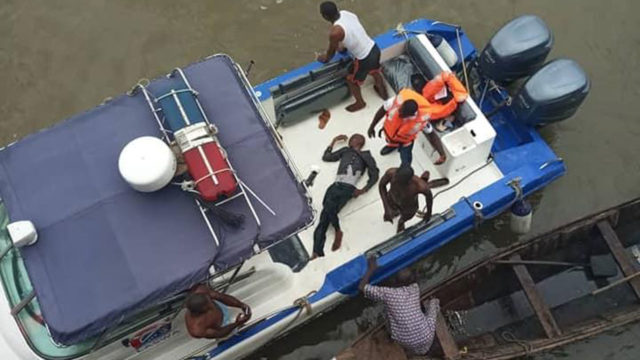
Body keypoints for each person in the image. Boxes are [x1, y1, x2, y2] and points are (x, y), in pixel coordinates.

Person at [312, 134, 379, 259]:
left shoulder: (366, 156)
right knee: (325, 217)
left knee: (328, 210)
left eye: (352, 139)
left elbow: (374, 174)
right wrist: (334, 140)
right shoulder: (345, 151)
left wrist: (364, 189)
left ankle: (335, 233)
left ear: (359, 141)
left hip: (348, 188)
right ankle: (318, 250)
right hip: (336, 184)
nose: (350, 141)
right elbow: (326, 157)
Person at [359, 256, 440, 356]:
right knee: (394, 327)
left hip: (418, 338)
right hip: (405, 340)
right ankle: (416, 350)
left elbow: (361, 287)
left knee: (393, 319)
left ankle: (391, 328)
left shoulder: (411, 290)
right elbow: (432, 310)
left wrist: (371, 269)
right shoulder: (411, 289)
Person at [317, 1, 388, 112]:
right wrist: (344, 48)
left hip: (364, 59)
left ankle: (360, 103)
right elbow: (353, 33)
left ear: (325, 16)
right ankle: (383, 92)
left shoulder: (335, 32)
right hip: (374, 48)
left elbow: (331, 53)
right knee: (374, 71)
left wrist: (325, 58)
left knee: (351, 80)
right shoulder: (346, 14)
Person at [367, 88, 446, 166]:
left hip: (405, 142)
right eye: (400, 111)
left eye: (403, 115)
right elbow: (382, 110)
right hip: (390, 134)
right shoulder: (395, 102)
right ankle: (392, 146)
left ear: (411, 114)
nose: (399, 115)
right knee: (390, 140)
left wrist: (442, 154)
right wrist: (372, 126)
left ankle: (405, 167)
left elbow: (432, 134)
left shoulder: (421, 119)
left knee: (406, 162)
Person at [379, 165, 449, 233]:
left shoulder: (420, 186)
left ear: (409, 181)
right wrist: (386, 208)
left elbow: (429, 198)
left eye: (400, 182)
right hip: (391, 198)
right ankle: (425, 179)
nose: (396, 182)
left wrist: (428, 213)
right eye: (396, 179)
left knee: (404, 218)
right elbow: (382, 186)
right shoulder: (391, 173)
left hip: (409, 207)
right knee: (391, 212)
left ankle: (401, 223)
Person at [185, 284, 251, 339]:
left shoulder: (201, 291)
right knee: (229, 335)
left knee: (216, 297)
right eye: (208, 305)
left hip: (220, 307)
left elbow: (220, 297)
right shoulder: (197, 330)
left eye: (209, 300)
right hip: (221, 326)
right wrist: (237, 324)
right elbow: (218, 333)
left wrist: (242, 305)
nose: (210, 303)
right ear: (202, 310)